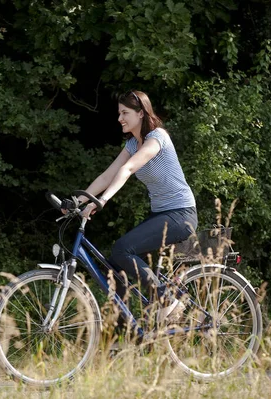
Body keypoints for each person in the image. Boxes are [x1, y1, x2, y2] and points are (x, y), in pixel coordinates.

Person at [77, 90, 198, 326]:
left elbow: (128, 169)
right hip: (162, 213)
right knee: (116, 263)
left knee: (123, 249)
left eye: (125, 113)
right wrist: (77, 200)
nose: (120, 118)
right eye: (119, 113)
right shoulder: (133, 144)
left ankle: (167, 300)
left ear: (141, 113)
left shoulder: (157, 138)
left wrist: (102, 201)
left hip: (181, 213)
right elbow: (106, 176)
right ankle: (128, 331)